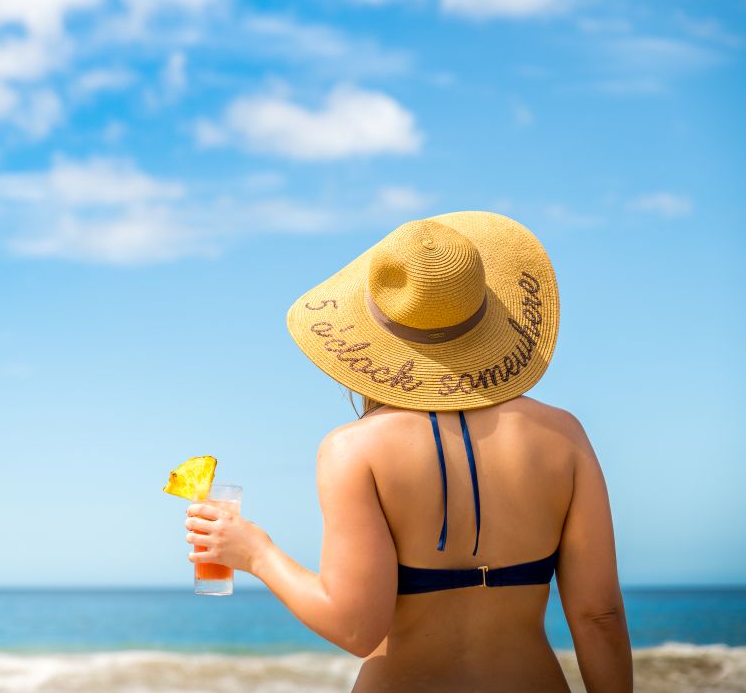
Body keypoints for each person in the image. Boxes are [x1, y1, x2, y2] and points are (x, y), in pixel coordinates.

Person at [185, 211, 633, 692]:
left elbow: (355, 628)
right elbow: (598, 617)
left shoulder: (354, 449)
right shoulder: (563, 434)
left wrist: (256, 553)